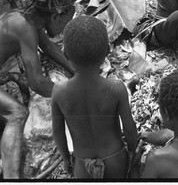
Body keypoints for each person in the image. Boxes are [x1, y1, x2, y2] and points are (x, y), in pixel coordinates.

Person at [0, 0, 77, 179]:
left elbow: (49, 48)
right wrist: (71, 92)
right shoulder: (24, 26)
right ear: (55, 16)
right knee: (17, 113)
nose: (63, 30)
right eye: (66, 22)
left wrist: (79, 72)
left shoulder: (28, 21)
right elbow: (37, 83)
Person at [51, 15, 138, 179]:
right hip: (115, 160)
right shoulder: (116, 88)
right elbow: (129, 128)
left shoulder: (59, 92)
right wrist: (132, 150)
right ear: (107, 51)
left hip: (82, 165)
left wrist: (65, 158)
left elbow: (58, 132)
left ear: (65, 53)